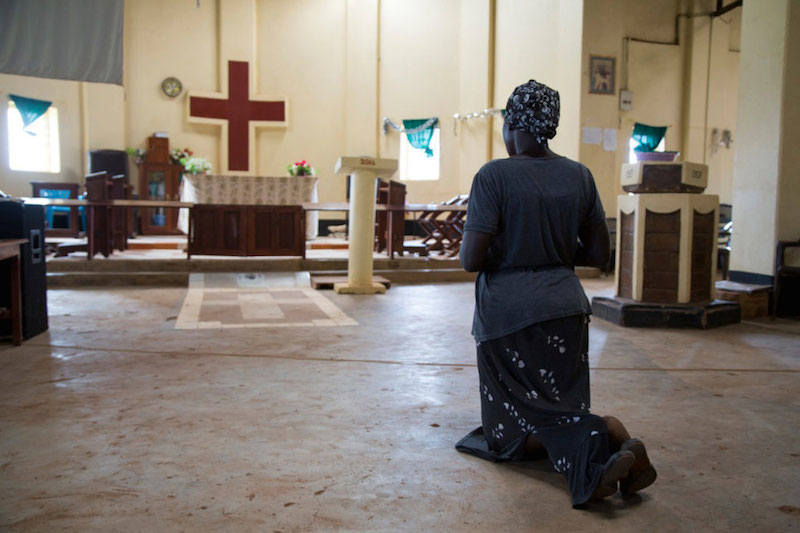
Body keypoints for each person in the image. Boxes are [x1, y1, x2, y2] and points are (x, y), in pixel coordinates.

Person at [455, 80, 656, 507]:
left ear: (512, 123)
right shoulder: (579, 175)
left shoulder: (494, 176)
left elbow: (471, 258)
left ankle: (593, 450)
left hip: (508, 315)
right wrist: (555, 248)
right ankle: (611, 433)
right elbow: (600, 254)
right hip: (566, 307)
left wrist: (512, 247)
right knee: (557, 405)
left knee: (504, 436)